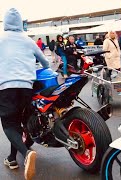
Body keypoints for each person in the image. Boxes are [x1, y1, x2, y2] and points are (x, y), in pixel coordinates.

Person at [0, 8, 49, 180]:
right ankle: (12, 159)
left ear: (5, 23)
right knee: (20, 122)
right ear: (20, 23)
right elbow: (46, 63)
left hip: (6, 87)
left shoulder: (1, 39)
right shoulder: (28, 40)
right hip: (27, 88)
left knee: (8, 124)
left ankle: (26, 153)